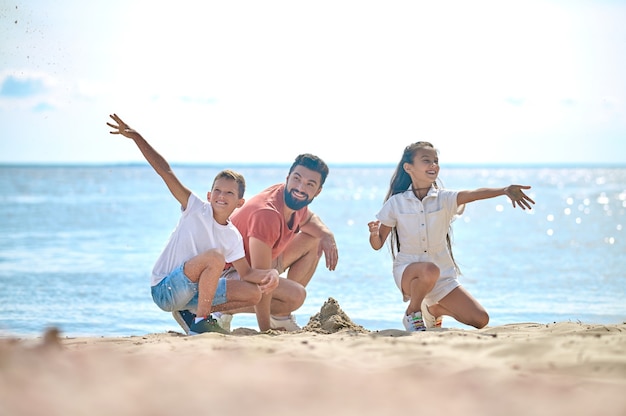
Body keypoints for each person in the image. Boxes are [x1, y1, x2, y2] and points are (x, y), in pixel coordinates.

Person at [107, 114, 279, 335]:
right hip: (165, 289)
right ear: (208, 195)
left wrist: (271, 275)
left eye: (229, 193)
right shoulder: (195, 209)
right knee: (215, 257)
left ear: (240, 202)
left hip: (194, 293)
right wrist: (136, 137)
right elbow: (165, 172)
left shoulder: (232, 236)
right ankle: (201, 322)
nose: (221, 196)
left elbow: (246, 274)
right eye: (217, 190)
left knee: (254, 293)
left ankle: (191, 314)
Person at [368, 141, 535, 332]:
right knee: (428, 270)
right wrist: (374, 234)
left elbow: (473, 194)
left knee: (480, 319)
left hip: (442, 276)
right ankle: (412, 313)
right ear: (409, 167)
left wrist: (504, 190)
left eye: (435, 161)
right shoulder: (396, 203)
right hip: (408, 273)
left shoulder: (444, 199)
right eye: (426, 160)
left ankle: (433, 310)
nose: (433, 165)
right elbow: (377, 244)